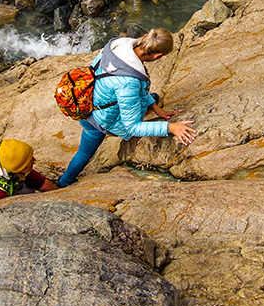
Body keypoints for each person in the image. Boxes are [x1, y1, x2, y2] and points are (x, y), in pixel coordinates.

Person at [58, 28, 196, 187]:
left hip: (90, 102)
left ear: (145, 37)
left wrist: (154, 106)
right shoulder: (128, 81)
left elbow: (126, 87)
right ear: (157, 56)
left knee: (146, 98)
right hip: (97, 120)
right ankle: (64, 183)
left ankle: (150, 101)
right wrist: (170, 128)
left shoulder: (115, 47)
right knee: (84, 154)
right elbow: (132, 127)